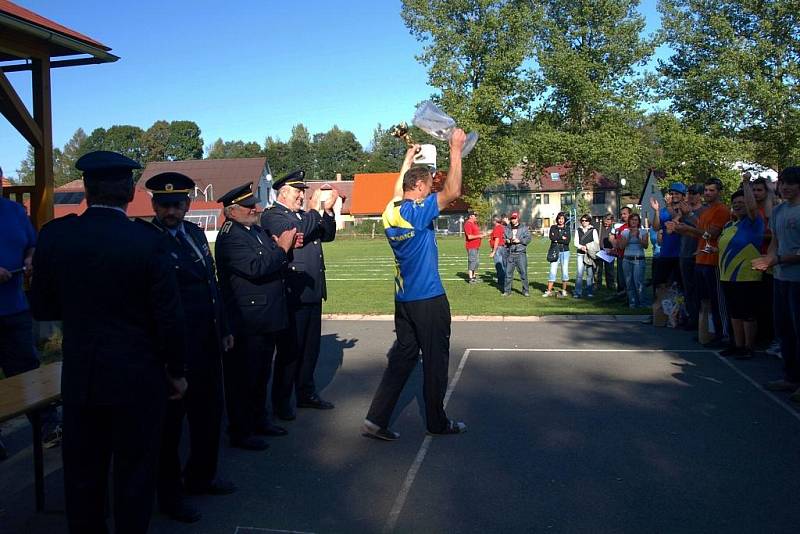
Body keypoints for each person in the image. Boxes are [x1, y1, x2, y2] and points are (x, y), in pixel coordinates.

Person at [29, 151, 188, 534]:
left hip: (83, 373)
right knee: (134, 476)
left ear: (85, 189)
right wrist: (177, 371)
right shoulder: (148, 241)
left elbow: (42, 307)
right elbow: (169, 317)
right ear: (130, 192)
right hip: (140, 376)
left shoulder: (56, 236)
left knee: (83, 475)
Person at [362, 130, 468, 441]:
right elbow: (453, 191)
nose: (430, 189)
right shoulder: (417, 212)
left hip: (404, 300)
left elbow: (398, 192)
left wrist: (407, 159)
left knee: (402, 359)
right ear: (419, 187)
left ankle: (375, 420)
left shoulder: (390, 212)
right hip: (428, 299)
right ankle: (437, 422)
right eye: (427, 186)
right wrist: (455, 149)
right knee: (435, 362)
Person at [144, 172, 236, 523]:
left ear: (188, 204)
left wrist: (224, 327)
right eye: (164, 204)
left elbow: (211, 284)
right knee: (170, 429)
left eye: (178, 204)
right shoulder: (149, 241)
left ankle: (202, 476)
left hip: (207, 342)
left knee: (209, 415)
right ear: (154, 205)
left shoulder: (195, 234)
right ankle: (170, 496)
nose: (171, 210)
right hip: (174, 347)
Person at [215, 182, 296, 451]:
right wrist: (282, 249)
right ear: (232, 211)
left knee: (261, 373)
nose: (255, 209)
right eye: (249, 207)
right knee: (243, 378)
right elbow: (257, 267)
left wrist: (279, 250)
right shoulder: (231, 236)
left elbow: (271, 259)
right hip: (247, 319)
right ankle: (241, 429)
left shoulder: (255, 230)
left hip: (265, 315)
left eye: (254, 205)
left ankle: (259, 420)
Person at [261, 170, 338, 420]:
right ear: (283, 192)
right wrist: (314, 212)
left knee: (310, 349)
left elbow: (327, 234)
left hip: (313, 289)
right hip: (293, 291)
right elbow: (294, 234)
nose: (302, 196)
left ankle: (306, 392)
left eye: (303, 192)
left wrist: (326, 211)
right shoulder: (273, 215)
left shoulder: (304, 216)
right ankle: (282, 400)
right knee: (290, 351)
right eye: (297, 192)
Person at [0, 175, 59, 460]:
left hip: (14, 308)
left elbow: (31, 244)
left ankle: (48, 427)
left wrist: (29, 259)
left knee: (27, 370)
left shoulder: (13, 212)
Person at [753, 166, 800, 400]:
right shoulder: (780, 210)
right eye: (783, 183)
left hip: (797, 279)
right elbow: (775, 242)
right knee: (785, 330)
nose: (786, 187)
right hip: (781, 277)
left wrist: (777, 259)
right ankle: (790, 377)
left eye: (791, 183)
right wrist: (770, 258)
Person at [717, 182, 763, 359]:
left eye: (741, 202)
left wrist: (746, 185)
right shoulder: (730, 225)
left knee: (747, 313)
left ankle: (749, 347)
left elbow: (752, 207)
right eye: (735, 203)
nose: (737, 205)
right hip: (728, 274)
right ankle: (737, 345)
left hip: (747, 274)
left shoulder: (753, 221)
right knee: (734, 312)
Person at [683, 178, 730, 345]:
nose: (708, 193)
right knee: (705, 300)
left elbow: (711, 234)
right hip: (701, 259)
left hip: (713, 261)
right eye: (706, 190)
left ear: (719, 192)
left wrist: (688, 228)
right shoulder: (706, 211)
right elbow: (700, 234)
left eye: (712, 190)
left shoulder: (722, 210)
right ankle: (708, 332)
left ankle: (723, 334)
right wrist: (683, 229)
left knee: (717, 301)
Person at [673, 184, 706, 330]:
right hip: (685, 252)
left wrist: (689, 216)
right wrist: (674, 224)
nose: (690, 195)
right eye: (688, 193)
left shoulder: (704, 210)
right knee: (687, 289)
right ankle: (690, 317)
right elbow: (676, 226)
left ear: (700, 195)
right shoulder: (683, 210)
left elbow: (704, 230)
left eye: (693, 193)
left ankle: (700, 321)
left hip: (698, 253)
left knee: (699, 290)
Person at [618, 213, 650, 308]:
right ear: (629, 221)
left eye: (636, 220)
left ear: (638, 222)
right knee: (629, 282)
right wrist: (629, 236)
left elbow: (646, 245)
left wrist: (638, 236)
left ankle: (642, 302)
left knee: (638, 282)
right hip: (627, 259)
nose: (634, 221)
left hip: (638, 259)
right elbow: (621, 246)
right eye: (632, 220)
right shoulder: (625, 232)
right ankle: (632, 303)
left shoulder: (643, 231)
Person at [503, 211, 531, 296]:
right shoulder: (507, 228)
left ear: (518, 218)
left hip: (520, 253)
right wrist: (508, 241)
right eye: (512, 218)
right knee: (508, 274)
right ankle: (507, 291)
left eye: (514, 218)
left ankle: (525, 290)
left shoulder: (524, 227)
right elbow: (504, 238)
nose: (513, 220)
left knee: (523, 273)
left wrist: (520, 240)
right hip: (511, 253)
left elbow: (529, 238)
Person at [544, 212, 570, 297]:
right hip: (555, 251)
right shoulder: (553, 227)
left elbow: (567, 241)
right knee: (552, 270)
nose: (560, 220)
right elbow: (552, 238)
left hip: (565, 252)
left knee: (565, 271)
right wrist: (561, 238)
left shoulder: (567, 228)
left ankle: (564, 290)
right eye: (559, 218)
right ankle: (549, 290)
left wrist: (557, 238)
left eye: (562, 218)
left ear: (564, 219)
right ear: (557, 219)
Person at [573, 214, 599, 298]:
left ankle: (589, 292)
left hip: (589, 254)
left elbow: (596, 242)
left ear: (589, 221)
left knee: (589, 274)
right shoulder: (578, 230)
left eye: (586, 220)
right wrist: (581, 247)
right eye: (582, 220)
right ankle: (578, 292)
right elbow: (575, 242)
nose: (584, 222)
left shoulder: (593, 230)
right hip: (580, 253)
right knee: (579, 274)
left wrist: (588, 247)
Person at [611, 206, 632, 295]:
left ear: (630, 214)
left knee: (630, 277)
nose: (623, 216)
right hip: (621, 255)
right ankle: (621, 294)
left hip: (631, 255)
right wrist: (614, 244)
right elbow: (612, 236)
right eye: (621, 214)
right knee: (621, 277)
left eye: (625, 214)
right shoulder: (618, 226)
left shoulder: (636, 225)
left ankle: (631, 295)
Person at [595, 215, 615, 290]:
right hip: (600, 251)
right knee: (598, 270)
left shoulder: (614, 228)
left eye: (608, 220)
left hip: (610, 251)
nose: (606, 221)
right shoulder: (599, 227)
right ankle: (597, 285)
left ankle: (610, 285)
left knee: (610, 270)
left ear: (612, 220)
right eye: (605, 219)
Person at [463, 211, 484, 283]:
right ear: (470, 216)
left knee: (476, 262)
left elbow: (476, 233)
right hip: (471, 246)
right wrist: (479, 236)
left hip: (476, 246)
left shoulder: (474, 224)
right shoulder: (468, 224)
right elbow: (469, 236)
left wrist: (482, 234)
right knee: (472, 261)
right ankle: (470, 278)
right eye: (475, 215)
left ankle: (474, 276)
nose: (476, 217)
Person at [488, 215, 507, 291]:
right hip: (503, 247)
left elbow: (497, 240)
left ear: (494, 221)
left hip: (498, 248)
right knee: (504, 265)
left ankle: (501, 282)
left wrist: (493, 251)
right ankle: (506, 281)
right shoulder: (502, 227)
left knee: (499, 265)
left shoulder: (497, 228)